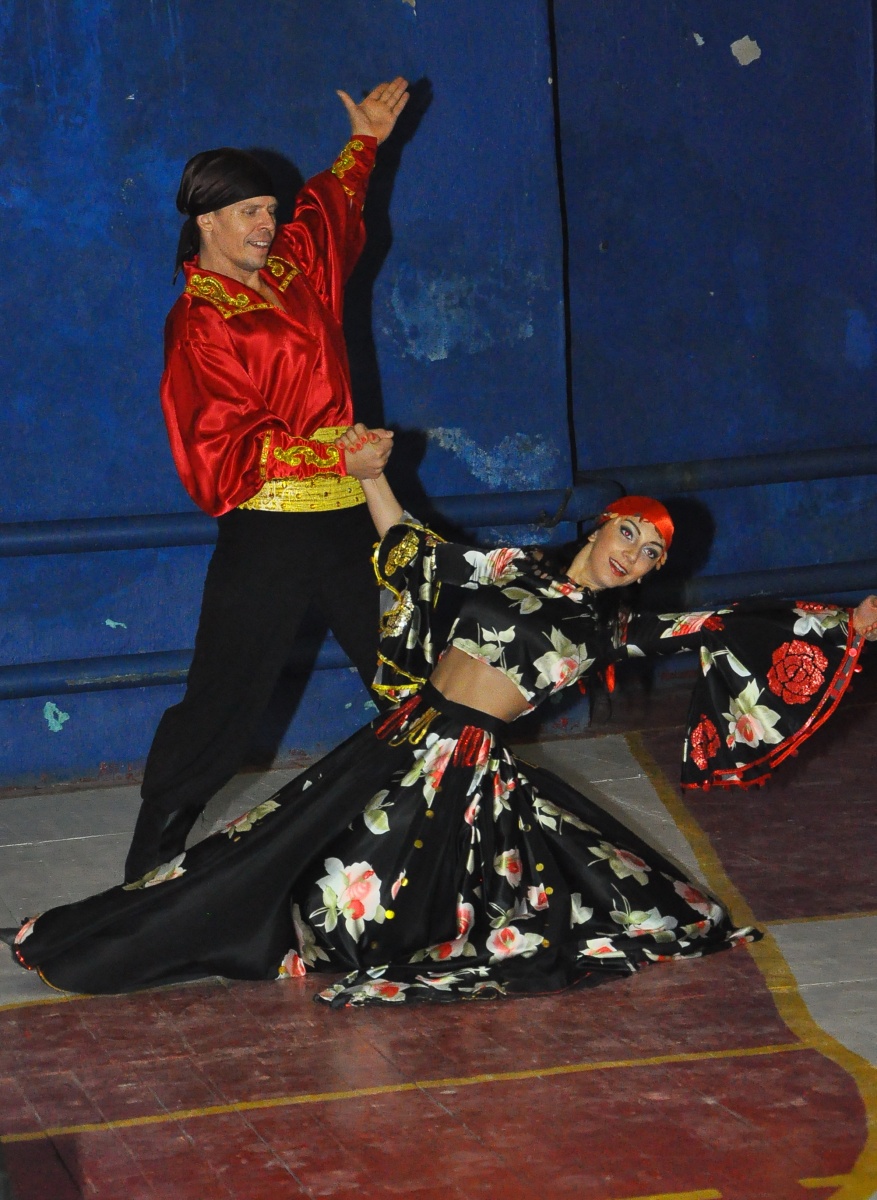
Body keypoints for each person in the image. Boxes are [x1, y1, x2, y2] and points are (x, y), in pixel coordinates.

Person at [6, 458, 876, 1005]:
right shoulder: (510, 568)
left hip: (460, 767)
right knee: (259, 847)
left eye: (651, 554)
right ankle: (106, 932)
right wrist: (369, 474)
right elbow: (414, 550)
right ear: (600, 525)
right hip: (403, 733)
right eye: (629, 534)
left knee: (352, 892)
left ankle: (241, 941)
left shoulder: (610, 629)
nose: (634, 555)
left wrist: (845, 625)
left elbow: (724, 623)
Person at [124, 79, 409, 885]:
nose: (266, 224)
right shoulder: (199, 321)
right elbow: (223, 442)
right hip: (268, 534)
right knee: (220, 713)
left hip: (348, 524)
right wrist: (332, 458)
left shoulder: (293, 272)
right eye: (248, 212)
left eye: (268, 211)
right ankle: (143, 883)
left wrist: (365, 143)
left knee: (417, 677)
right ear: (206, 221)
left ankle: (450, 851)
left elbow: (331, 210)